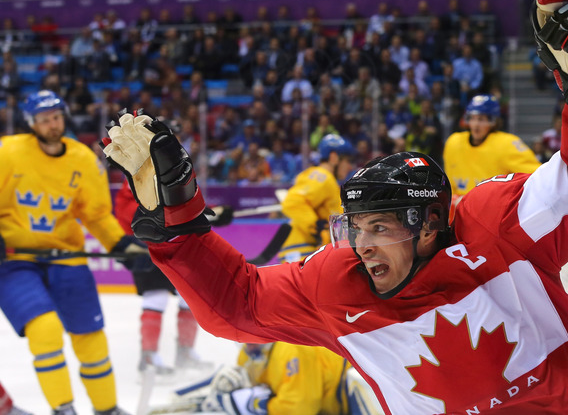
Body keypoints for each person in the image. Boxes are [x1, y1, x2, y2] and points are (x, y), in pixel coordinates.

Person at [102, 0, 568, 413]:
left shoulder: (498, 231)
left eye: (381, 227)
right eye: (357, 227)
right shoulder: (332, 285)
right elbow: (237, 304)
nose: (362, 245)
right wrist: (177, 222)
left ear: (432, 222)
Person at [0, 91, 143, 415]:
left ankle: (107, 408)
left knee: (91, 336)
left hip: (67, 258)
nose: (52, 124)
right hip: (15, 261)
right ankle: (63, 408)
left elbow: (95, 215)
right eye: (44, 119)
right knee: (45, 329)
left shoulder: (82, 159)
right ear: (31, 123)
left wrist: (121, 246)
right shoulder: (7, 153)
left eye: (56, 117)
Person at [113, 180, 234, 374]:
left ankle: (185, 352)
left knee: (188, 298)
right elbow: (128, 212)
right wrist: (178, 217)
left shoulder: (172, 166)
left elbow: (186, 200)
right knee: (156, 297)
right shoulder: (137, 172)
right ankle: (149, 357)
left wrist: (212, 212)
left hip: (179, 245)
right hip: (147, 244)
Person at [174, 342, 362, 415]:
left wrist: (257, 405)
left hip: (355, 392)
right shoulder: (247, 354)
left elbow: (301, 408)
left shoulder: (290, 349)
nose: (248, 341)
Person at [442, 94, 539, 204]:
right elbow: (450, 183)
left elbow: (535, 174)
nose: (476, 124)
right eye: (472, 118)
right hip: (461, 210)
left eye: (482, 119)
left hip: (493, 210)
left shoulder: (506, 144)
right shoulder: (454, 142)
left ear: (494, 122)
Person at [277, 134, 356, 263]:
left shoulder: (327, 180)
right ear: (334, 157)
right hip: (302, 250)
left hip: (308, 250)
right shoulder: (322, 176)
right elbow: (293, 201)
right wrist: (315, 228)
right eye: (347, 160)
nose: (350, 167)